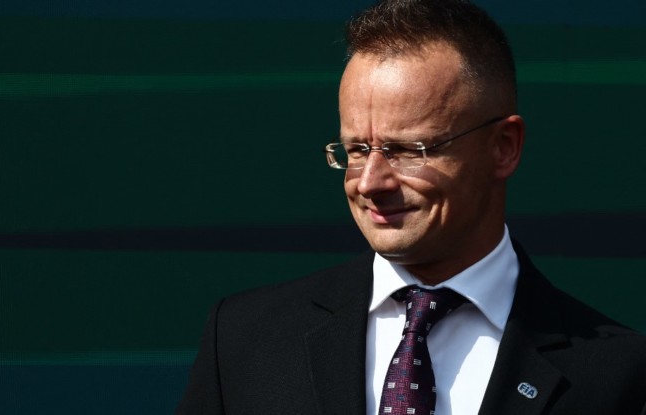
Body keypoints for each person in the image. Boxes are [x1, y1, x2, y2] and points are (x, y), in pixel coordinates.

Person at [176, 0, 646, 413]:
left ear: (504, 147)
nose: (369, 182)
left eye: (407, 150)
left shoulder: (620, 375)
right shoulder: (244, 339)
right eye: (356, 150)